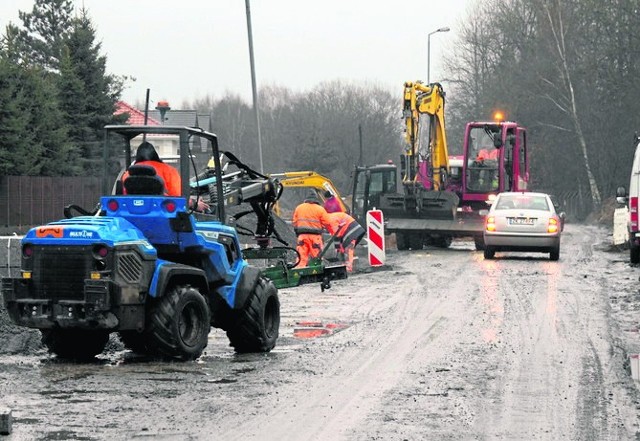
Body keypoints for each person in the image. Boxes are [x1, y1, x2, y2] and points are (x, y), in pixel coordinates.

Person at [122, 141, 208, 211]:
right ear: (155, 155)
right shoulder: (169, 171)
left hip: (131, 212)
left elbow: (123, 196)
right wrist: (195, 204)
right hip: (162, 212)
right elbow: (179, 198)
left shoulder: (127, 174)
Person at [292, 191, 335, 268]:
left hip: (302, 237)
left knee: (301, 258)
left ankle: (298, 274)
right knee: (317, 258)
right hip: (315, 238)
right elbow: (328, 222)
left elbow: (295, 222)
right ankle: (317, 274)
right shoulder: (320, 209)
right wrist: (332, 232)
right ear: (316, 199)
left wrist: (297, 233)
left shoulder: (299, 208)